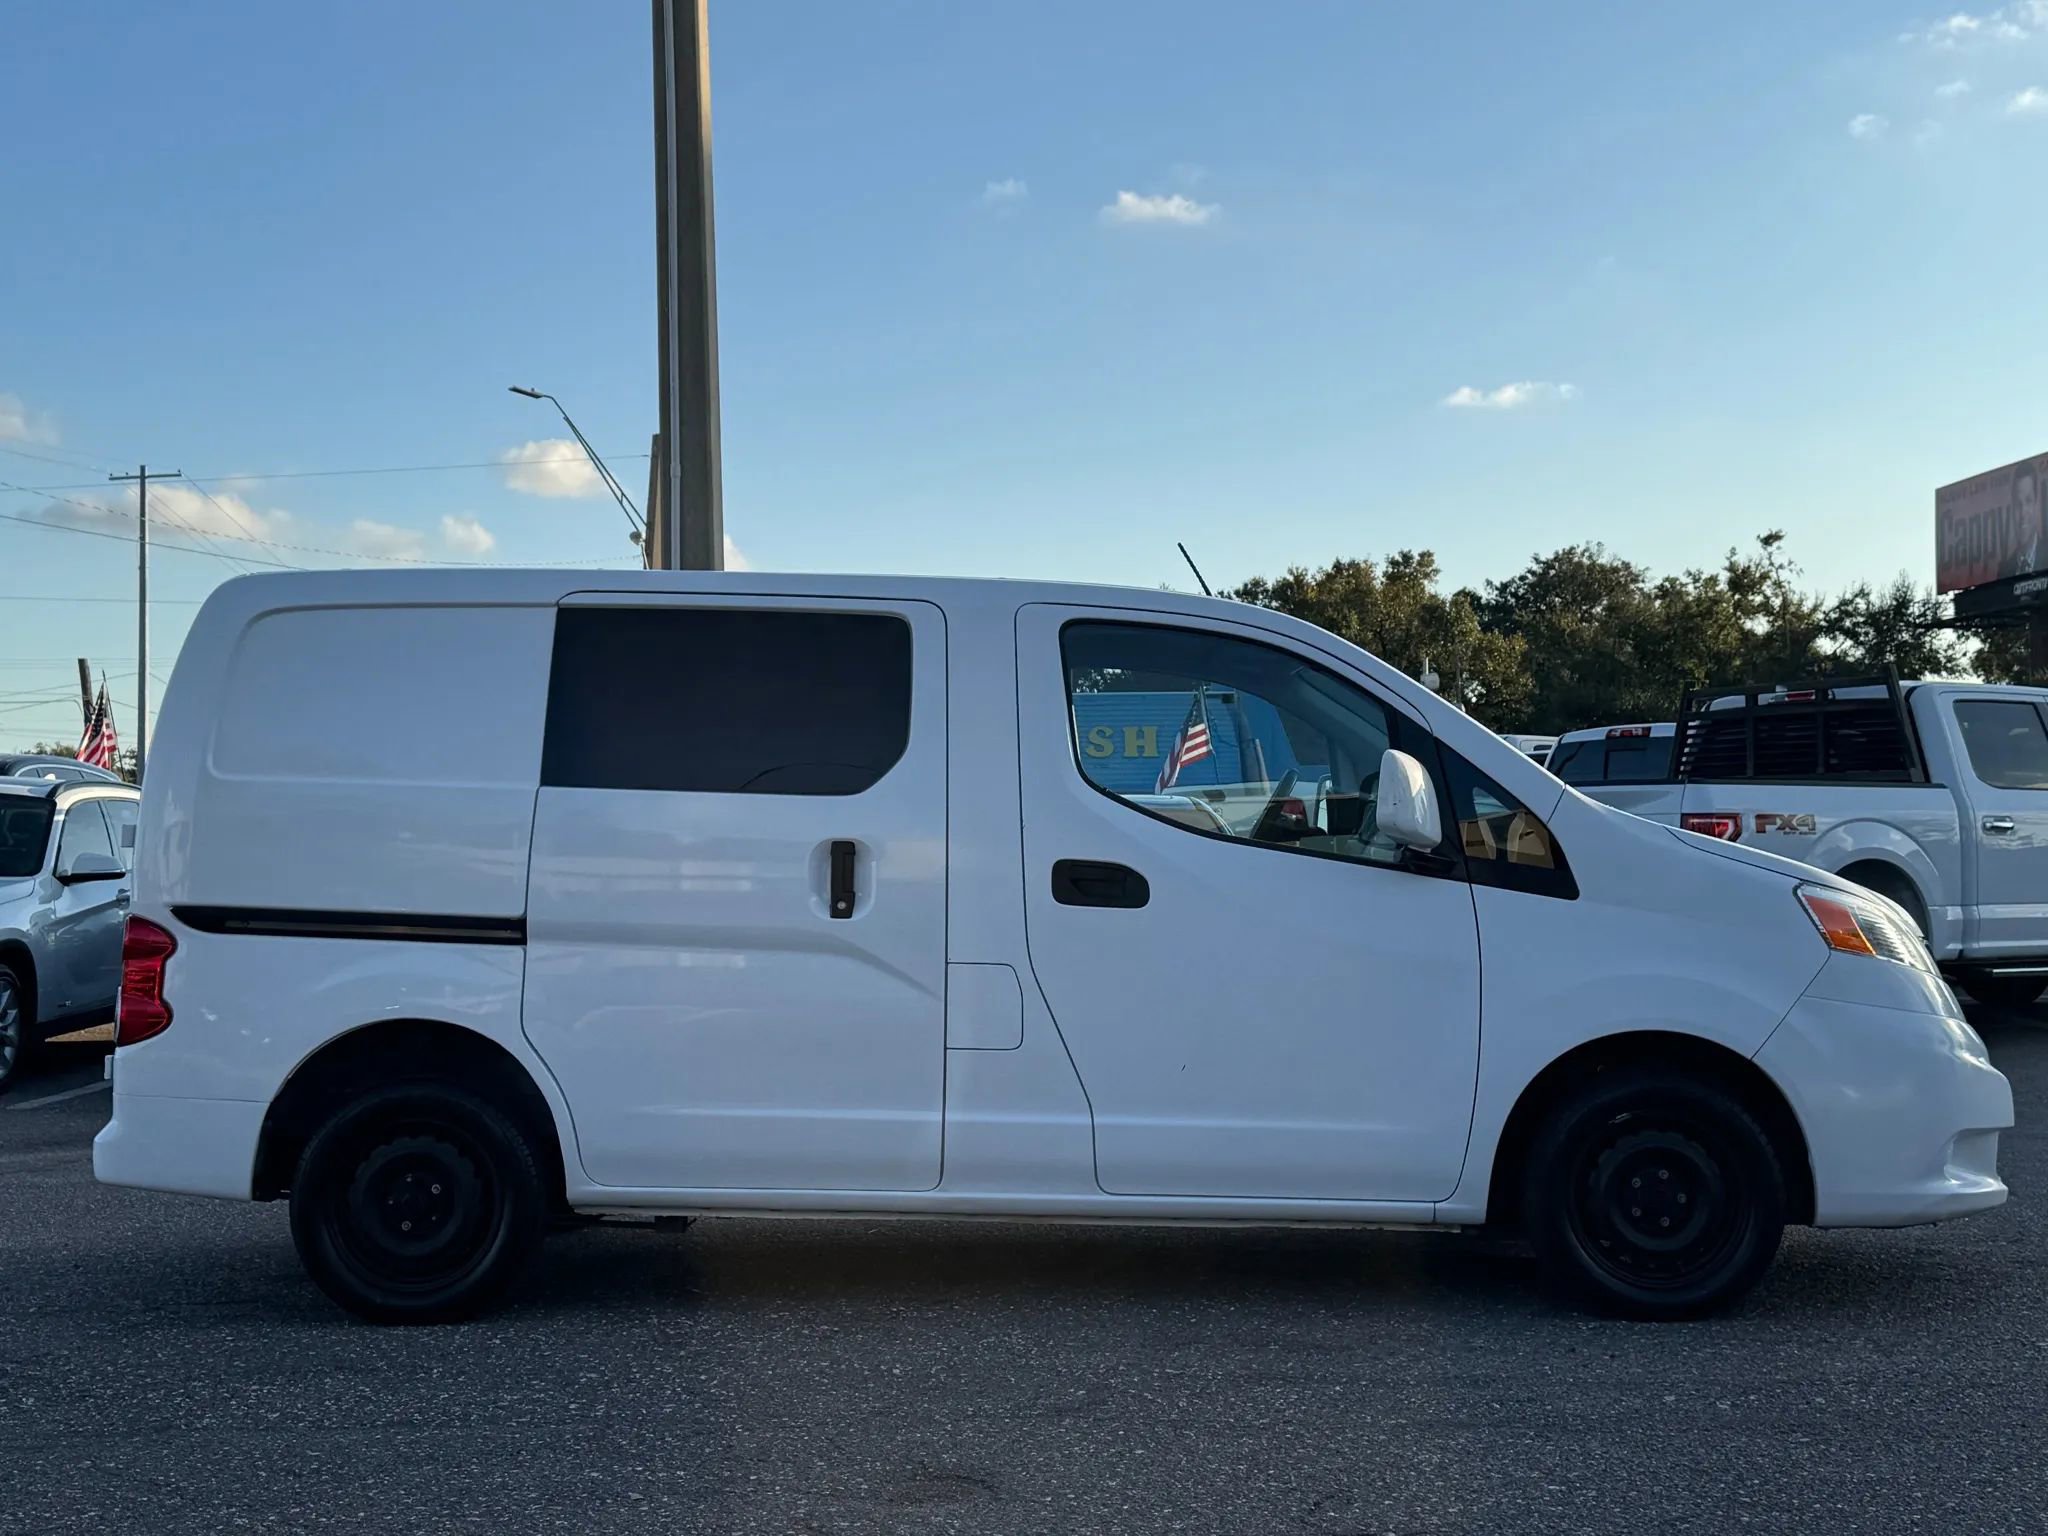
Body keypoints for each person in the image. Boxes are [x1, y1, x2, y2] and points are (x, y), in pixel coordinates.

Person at [2003, 459, 2043, 578]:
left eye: (2028, 501)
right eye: (2018, 504)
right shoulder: (2004, 571)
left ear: (2036, 503)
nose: (2022, 513)